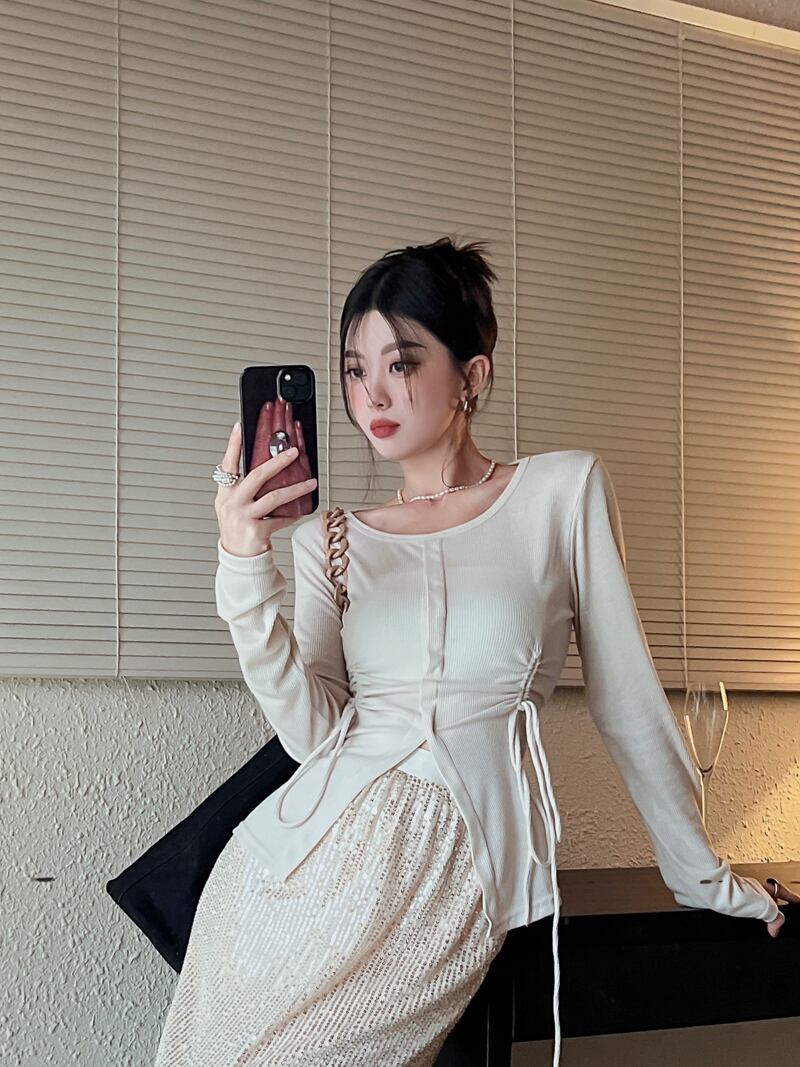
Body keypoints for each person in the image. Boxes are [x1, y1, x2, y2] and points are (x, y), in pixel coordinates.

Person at [154, 237, 796, 1067]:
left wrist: (698, 871)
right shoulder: (329, 537)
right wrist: (244, 566)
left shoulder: (562, 491)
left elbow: (627, 699)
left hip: (444, 868)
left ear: (473, 375)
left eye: (402, 362)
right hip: (284, 871)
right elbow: (314, 736)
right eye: (354, 370)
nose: (372, 394)